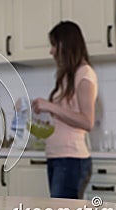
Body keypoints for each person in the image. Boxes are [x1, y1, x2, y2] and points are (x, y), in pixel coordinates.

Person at [31, 21, 98, 199]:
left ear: (66, 44)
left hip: (71, 159)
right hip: (57, 157)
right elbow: (62, 119)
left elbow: (87, 121)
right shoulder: (67, 77)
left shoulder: (85, 74)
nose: (51, 51)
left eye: (54, 45)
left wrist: (50, 106)